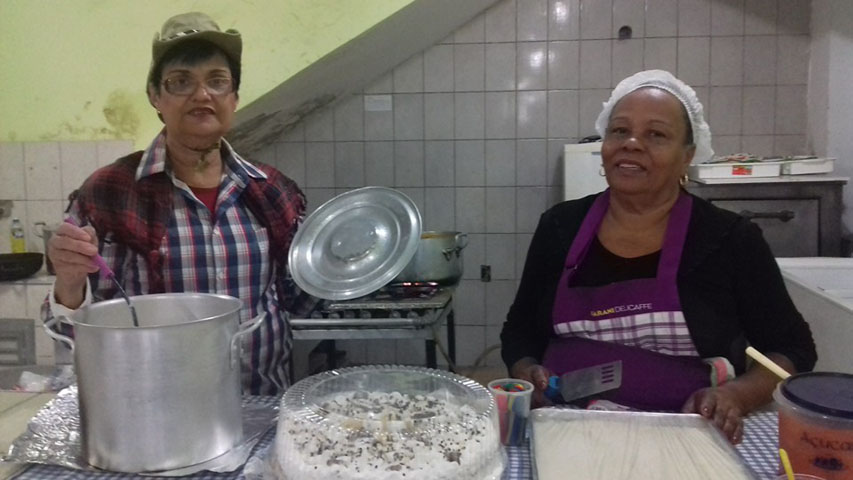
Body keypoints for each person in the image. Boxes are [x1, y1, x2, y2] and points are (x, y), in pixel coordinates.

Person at [500, 70, 816, 443]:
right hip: (566, 430)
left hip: (689, 433)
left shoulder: (730, 238)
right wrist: (527, 371)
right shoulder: (559, 226)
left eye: (656, 134)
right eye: (620, 131)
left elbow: (793, 349)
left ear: (687, 156)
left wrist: (735, 396)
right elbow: (519, 330)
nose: (631, 144)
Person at [43, 12, 310, 395]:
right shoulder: (110, 193)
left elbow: (301, 301)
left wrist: (340, 262)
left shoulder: (272, 192)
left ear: (234, 98)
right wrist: (69, 281)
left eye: (217, 81)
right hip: (153, 415)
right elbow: (74, 333)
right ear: (156, 96)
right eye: (181, 82)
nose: (202, 95)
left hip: (262, 412)